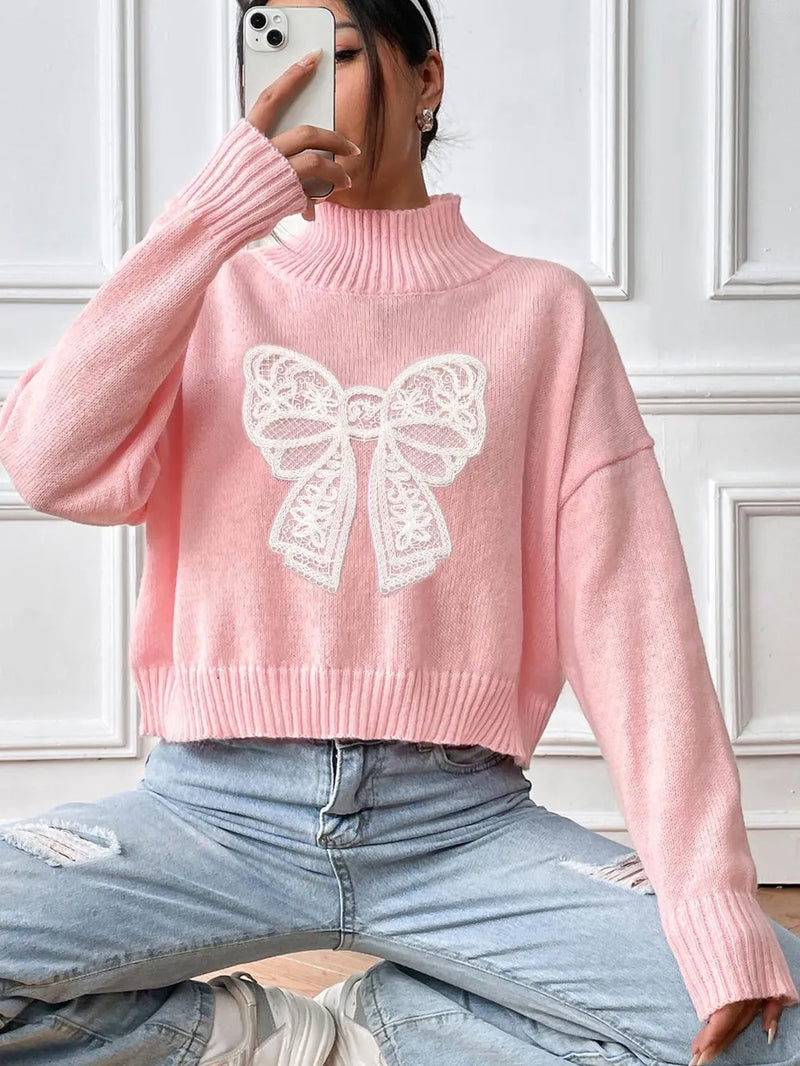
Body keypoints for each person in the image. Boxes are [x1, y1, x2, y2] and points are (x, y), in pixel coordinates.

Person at [0, 1, 798, 1064]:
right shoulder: (212, 288)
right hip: (211, 811)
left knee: (773, 1025)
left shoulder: (543, 312)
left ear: (426, 78)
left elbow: (634, 622)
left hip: (459, 826)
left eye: (337, 54)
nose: (306, 88)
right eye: (278, 59)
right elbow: (51, 462)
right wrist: (209, 222)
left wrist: (711, 900)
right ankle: (248, 1037)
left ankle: (397, 1029)